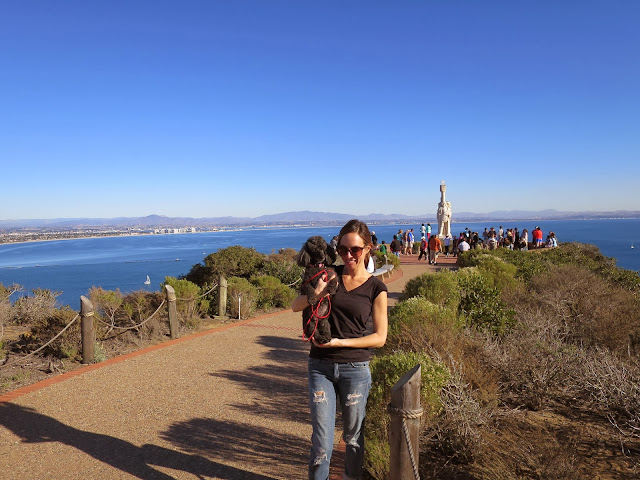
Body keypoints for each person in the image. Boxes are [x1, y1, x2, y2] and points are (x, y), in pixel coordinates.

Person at [291, 219, 388, 480]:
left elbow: (380, 338)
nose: (348, 255)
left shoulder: (376, 288)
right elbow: (295, 305)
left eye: (354, 249)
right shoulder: (328, 273)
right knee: (322, 443)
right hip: (320, 367)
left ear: (367, 248)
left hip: (355, 369)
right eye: (342, 249)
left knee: (353, 439)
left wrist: (339, 342)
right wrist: (318, 292)